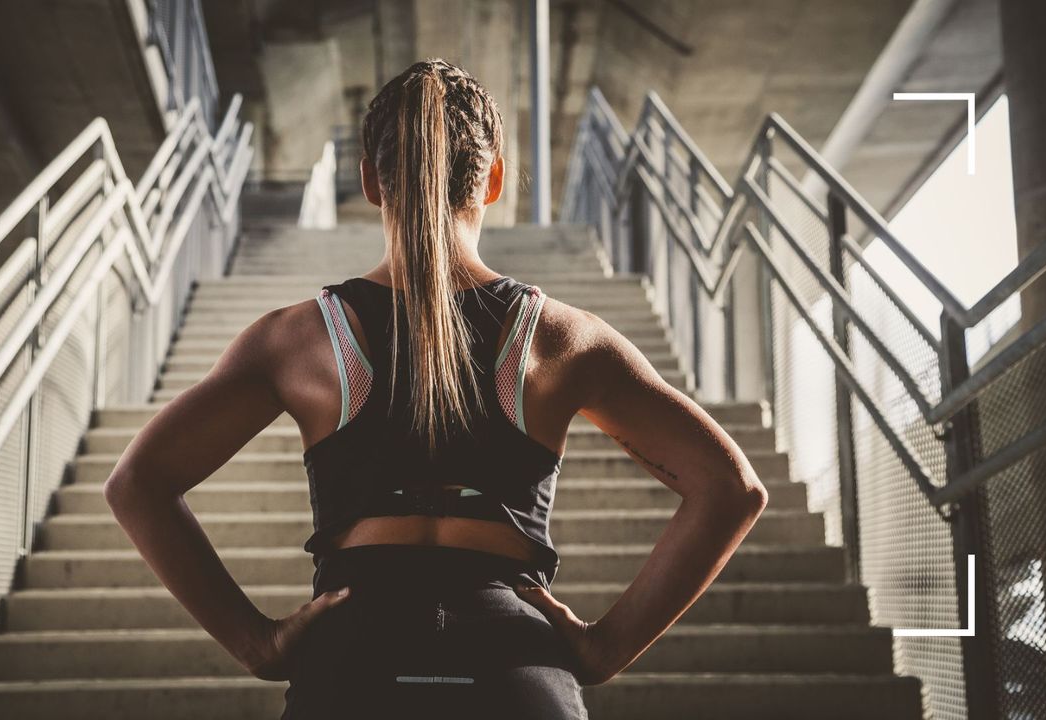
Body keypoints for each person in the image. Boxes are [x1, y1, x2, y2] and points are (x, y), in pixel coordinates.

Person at [103, 59, 768, 719]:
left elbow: (137, 483)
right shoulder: (561, 337)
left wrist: (258, 645)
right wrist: (603, 650)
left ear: (370, 179)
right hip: (514, 670)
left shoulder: (296, 340)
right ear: (495, 181)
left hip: (350, 667)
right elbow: (729, 487)